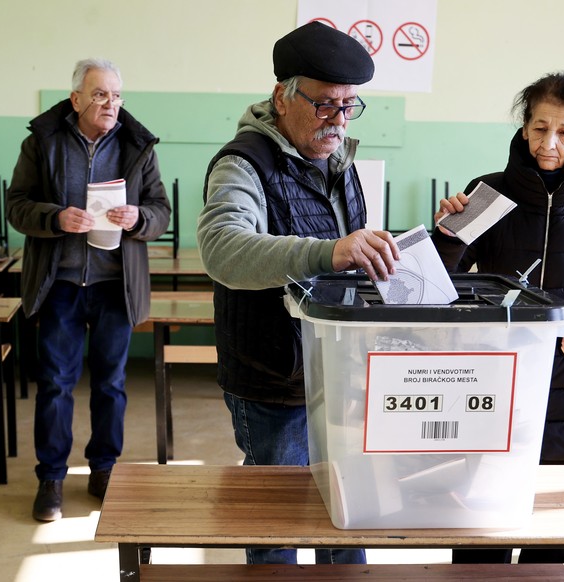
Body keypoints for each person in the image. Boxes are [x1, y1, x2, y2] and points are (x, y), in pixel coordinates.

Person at [196, 22, 399, 565]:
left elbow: (352, 257)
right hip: (274, 379)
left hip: (339, 373)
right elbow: (222, 249)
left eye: (349, 105)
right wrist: (327, 251)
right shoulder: (244, 163)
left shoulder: (338, 162)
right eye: (325, 104)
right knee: (277, 522)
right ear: (282, 96)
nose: (337, 118)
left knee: (349, 512)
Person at [433, 72, 564, 564]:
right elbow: (439, 282)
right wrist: (447, 235)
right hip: (492, 372)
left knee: (550, 527)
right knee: (479, 521)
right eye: (540, 127)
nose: (550, 142)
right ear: (524, 128)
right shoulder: (486, 192)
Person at [6, 58, 171, 522]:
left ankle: (103, 470)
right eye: (100, 95)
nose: (110, 104)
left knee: (111, 384)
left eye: (116, 96)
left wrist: (140, 217)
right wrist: (54, 218)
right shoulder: (42, 142)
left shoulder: (138, 147)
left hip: (114, 285)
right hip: (60, 283)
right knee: (55, 383)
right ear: (76, 99)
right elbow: (16, 206)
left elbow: (161, 209)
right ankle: (51, 479)